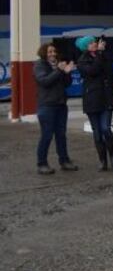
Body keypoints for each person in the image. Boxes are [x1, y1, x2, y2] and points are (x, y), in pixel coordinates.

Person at [76, 36, 113, 171]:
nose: (94, 44)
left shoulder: (104, 56)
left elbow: (111, 76)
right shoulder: (82, 60)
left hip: (106, 97)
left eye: (94, 42)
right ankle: (102, 161)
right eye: (90, 43)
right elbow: (92, 71)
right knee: (97, 131)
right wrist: (100, 54)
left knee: (105, 128)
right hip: (92, 99)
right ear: (85, 47)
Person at [33, 43, 78, 174]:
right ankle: (42, 164)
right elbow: (44, 81)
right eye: (50, 52)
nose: (53, 54)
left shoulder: (59, 64)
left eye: (54, 51)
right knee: (47, 135)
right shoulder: (39, 65)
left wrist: (67, 73)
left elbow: (66, 84)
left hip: (61, 105)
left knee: (61, 135)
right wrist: (59, 70)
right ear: (44, 53)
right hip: (47, 106)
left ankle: (64, 161)